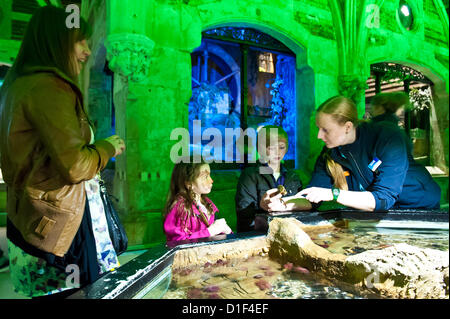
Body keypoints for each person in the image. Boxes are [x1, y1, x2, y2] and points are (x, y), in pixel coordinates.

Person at [0, 6, 125, 298]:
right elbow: (76, 165)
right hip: (60, 228)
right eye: (81, 41)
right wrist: (108, 147)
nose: (87, 51)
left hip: (32, 219)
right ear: (57, 41)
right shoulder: (49, 87)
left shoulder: (15, 86)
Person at [297, 96, 440, 211]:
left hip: (419, 206)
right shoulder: (330, 152)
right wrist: (283, 204)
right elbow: (314, 196)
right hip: (379, 213)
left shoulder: (387, 137)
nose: (319, 136)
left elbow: (383, 199)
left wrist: (333, 194)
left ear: (347, 127)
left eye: (325, 130)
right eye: (318, 128)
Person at [235, 125, 311, 232]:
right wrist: (264, 207)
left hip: (290, 232)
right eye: (271, 148)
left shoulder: (293, 177)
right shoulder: (250, 176)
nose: (278, 152)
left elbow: (301, 210)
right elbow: (244, 215)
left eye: (281, 147)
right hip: (260, 235)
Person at [163, 160, 232, 242]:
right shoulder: (180, 207)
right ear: (189, 183)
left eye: (209, 175)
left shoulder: (207, 204)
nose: (211, 181)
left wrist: (227, 232)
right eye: (205, 177)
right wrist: (210, 231)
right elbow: (178, 242)